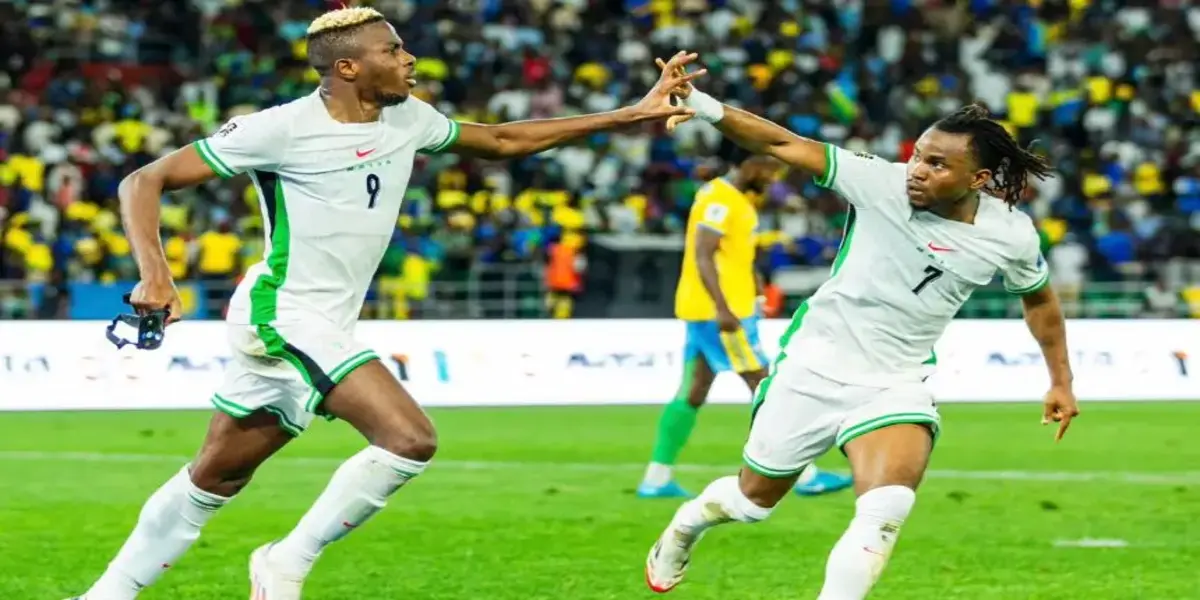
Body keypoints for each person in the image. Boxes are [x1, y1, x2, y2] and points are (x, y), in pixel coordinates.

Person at [66, 8, 703, 600]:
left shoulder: (408, 118)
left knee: (215, 478)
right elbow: (143, 180)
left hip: (324, 321)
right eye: (392, 50)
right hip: (284, 312)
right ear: (347, 67)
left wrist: (629, 115)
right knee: (408, 438)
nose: (409, 58)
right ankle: (286, 562)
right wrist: (156, 276)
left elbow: (503, 141)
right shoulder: (279, 128)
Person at [644, 57, 1080, 598]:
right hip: (814, 364)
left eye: (937, 164)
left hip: (896, 380)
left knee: (885, 509)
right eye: (917, 155)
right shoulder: (878, 182)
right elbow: (782, 143)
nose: (917, 170)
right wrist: (702, 104)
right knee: (751, 502)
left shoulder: (1011, 235)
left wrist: (1060, 380)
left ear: (979, 179)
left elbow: (1040, 301)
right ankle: (686, 525)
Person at [637, 148, 852, 499]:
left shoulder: (733, 198)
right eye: (769, 169)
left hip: (712, 310)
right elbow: (703, 253)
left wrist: (754, 284)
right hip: (722, 313)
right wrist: (723, 308)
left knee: (693, 391)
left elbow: (733, 254)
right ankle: (805, 475)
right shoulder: (720, 199)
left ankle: (656, 478)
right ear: (750, 164)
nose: (773, 178)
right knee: (765, 386)